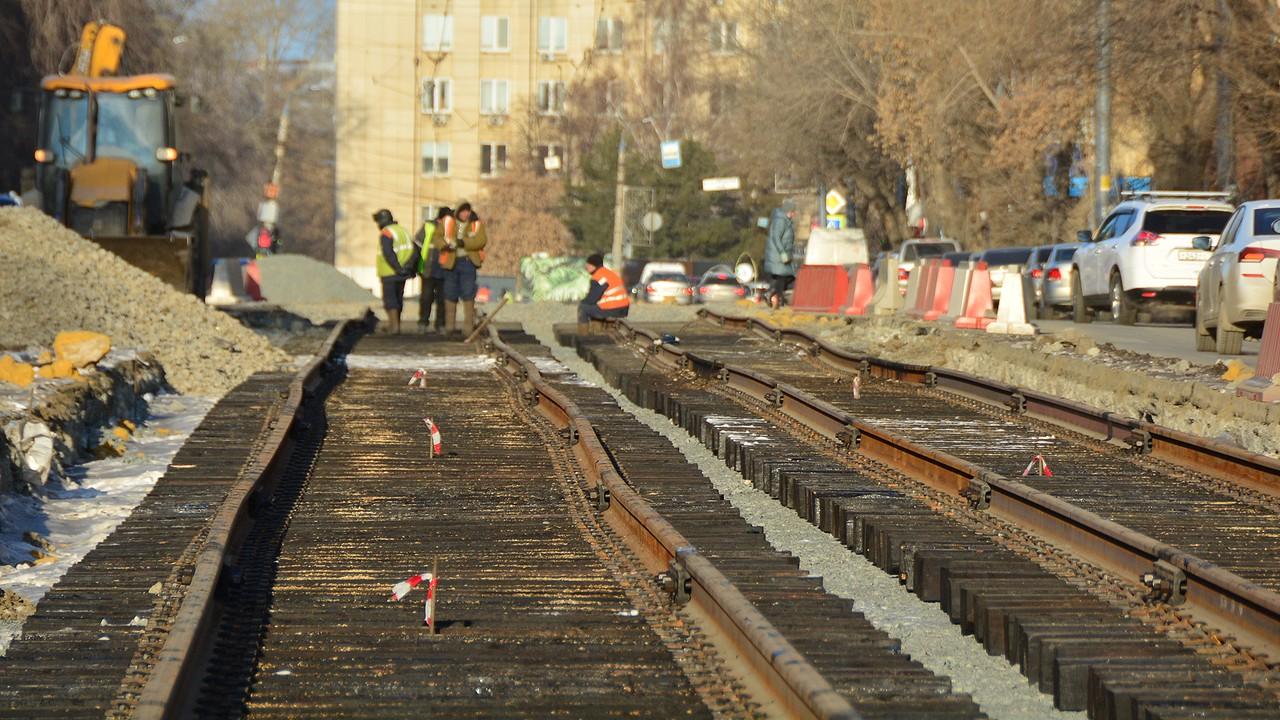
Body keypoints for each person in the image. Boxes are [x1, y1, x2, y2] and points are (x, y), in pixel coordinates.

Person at [434, 200, 487, 337]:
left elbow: (481, 240)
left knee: (468, 292)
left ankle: (468, 327)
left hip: (468, 262)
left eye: (467, 211)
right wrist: (444, 245)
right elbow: (437, 237)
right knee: (450, 293)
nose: (466, 214)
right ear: (457, 211)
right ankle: (449, 326)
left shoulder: (475, 224)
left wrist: (463, 242)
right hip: (451, 262)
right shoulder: (447, 222)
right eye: (463, 211)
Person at [374, 208, 418, 334]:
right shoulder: (402, 231)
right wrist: (408, 267)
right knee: (398, 299)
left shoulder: (387, 233)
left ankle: (394, 327)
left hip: (390, 272)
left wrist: (397, 268)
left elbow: (388, 253)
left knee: (390, 300)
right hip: (403, 273)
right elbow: (414, 250)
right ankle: (395, 324)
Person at [414, 207, 451, 333]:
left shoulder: (450, 229)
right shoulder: (428, 227)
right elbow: (417, 245)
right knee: (426, 297)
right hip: (428, 269)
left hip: (444, 269)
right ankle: (423, 322)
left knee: (442, 299)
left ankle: (440, 324)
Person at [577, 252, 630, 334]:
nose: (586, 267)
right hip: (623, 307)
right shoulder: (608, 273)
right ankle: (598, 331)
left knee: (583, 308)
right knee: (594, 308)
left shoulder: (598, 276)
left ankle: (584, 337)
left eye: (588, 265)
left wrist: (582, 302)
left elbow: (592, 299)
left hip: (613, 308)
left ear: (593, 265)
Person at [763, 199, 797, 309]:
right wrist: (782, 253)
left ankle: (776, 297)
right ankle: (772, 294)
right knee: (785, 277)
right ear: (787, 211)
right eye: (792, 211)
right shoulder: (781, 221)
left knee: (782, 278)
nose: (794, 213)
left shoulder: (784, 220)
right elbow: (776, 238)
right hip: (778, 256)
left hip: (780, 255)